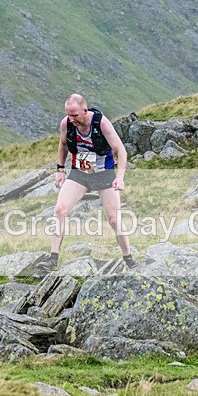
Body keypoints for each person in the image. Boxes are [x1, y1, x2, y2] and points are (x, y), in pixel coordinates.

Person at [38, 93, 135, 272]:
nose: (71, 119)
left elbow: (121, 151)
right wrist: (60, 170)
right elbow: (63, 145)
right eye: (68, 114)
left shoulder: (101, 123)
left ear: (85, 110)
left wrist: (120, 178)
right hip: (80, 174)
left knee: (114, 219)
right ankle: (53, 258)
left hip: (104, 175)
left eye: (75, 115)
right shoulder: (66, 123)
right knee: (60, 210)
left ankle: (128, 258)